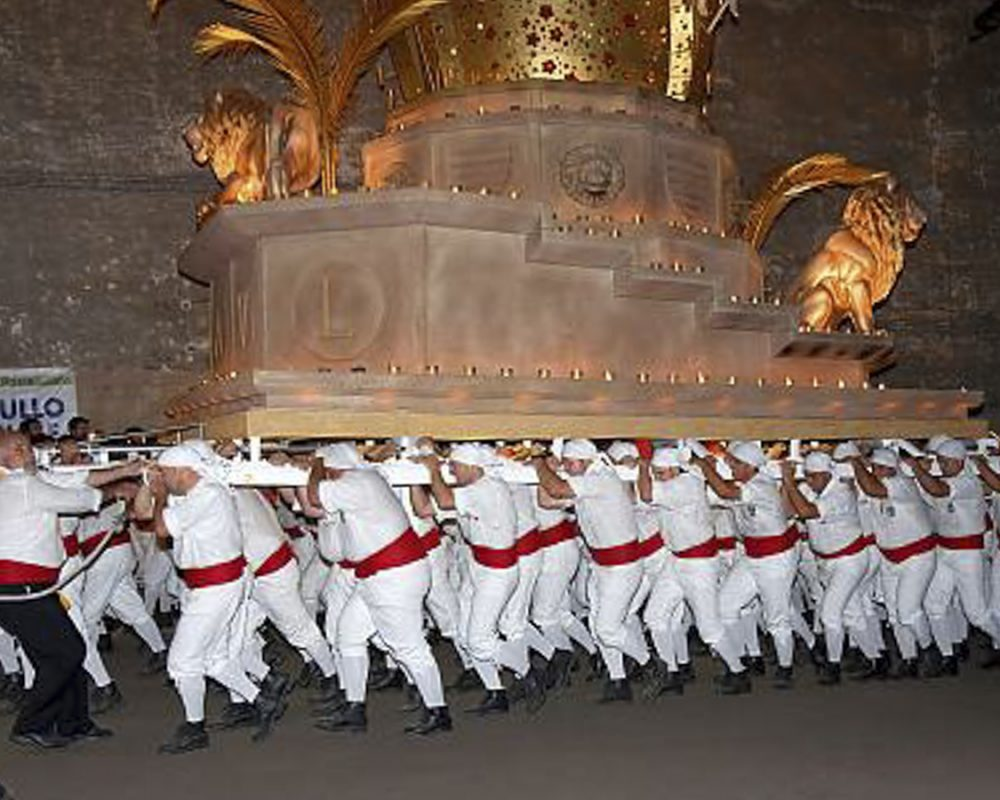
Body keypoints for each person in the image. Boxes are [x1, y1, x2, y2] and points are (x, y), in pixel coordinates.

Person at [142, 444, 286, 754]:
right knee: (213, 659)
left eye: (166, 474)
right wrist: (152, 490)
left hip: (216, 586)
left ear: (183, 471)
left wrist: (159, 495)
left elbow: (161, 527)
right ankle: (261, 699)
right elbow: (143, 513)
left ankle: (194, 728)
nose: (163, 480)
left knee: (181, 662)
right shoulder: (199, 493)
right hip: (210, 585)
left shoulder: (208, 494)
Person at [0, 431, 139, 748]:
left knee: (65, 651)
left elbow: (73, 483)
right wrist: (117, 490)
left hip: (27, 587)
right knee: (67, 653)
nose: (34, 454)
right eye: (28, 449)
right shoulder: (23, 485)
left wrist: (120, 474)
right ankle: (31, 724)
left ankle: (73, 723)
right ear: (17, 452)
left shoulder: (19, 485)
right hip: (19, 588)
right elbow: (79, 500)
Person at [308, 443, 451, 735]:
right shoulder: (364, 479)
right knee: (349, 636)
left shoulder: (357, 482)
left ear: (334, 469)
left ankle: (439, 711)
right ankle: (355, 709)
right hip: (379, 575)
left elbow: (313, 496)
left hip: (394, 576)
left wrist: (315, 465)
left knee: (409, 647)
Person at [420, 443, 546, 714]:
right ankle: (496, 691)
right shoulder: (473, 489)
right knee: (466, 636)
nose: (451, 469)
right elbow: (424, 511)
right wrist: (415, 481)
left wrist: (432, 469)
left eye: (455, 465)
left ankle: (529, 674)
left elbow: (443, 501)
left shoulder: (488, 489)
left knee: (479, 639)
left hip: (498, 571)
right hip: (479, 566)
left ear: (472, 466)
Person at [533, 439, 652, 702]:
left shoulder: (600, 477)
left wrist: (539, 462)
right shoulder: (586, 479)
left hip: (622, 564)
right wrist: (549, 471)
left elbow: (556, 488)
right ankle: (618, 681)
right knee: (600, 631)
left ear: (586, 460)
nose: (565, 465)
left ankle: (650, 663)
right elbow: (546, 500)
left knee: (608, 629)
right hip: (602, 564)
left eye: (569, 461)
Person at [638, 446, 750, 694]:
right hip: (676, 560)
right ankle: (671, 672)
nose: (657, 476)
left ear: (675, 469)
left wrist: (643, 465)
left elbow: (646, 494)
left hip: (699, 564)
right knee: (654, 617)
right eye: (655, 472)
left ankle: (738, 671)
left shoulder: (684, 485)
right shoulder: (682, 480)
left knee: (709, 628)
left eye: (661, 472)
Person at [699, 441, 800, 688]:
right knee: (724, 606)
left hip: (776, 558)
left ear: (748, 465)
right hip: (752, 556)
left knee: (776, 617)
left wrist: (704, 466)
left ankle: (785, 668)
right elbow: (717, 494)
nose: (730, 467)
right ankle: (741, 663)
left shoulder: (761, 486)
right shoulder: (744, 485)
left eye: (734, 463)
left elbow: (723, 492)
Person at [781, 451, 883, 684]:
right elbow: (787, 512)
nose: (808, 481)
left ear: (827, 474)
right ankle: (877, 658)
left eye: (813, 477)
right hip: (828, 561)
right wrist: (789, 487)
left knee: (830, 613)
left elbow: (807, 512)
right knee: (853, 614)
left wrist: (788, 481)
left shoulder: (841, 493)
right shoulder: (812, 489)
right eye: (806, 476)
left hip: (850, 560)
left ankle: (833, 665)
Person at [911, 439, 1000, 671]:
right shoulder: (946, 481)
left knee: (977, 614)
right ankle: (947, 656)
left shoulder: (968, 482)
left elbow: (935, 490)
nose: (942, 465)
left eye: (946, 461)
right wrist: (923, 473)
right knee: (934, 605)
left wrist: (916, 468)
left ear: (960, 462)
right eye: (940, 461)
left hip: (968, 553)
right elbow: (929, 494)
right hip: (944, 550)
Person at [851, 448, 937, 678]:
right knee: (894, 614)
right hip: (890, 558)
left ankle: (931, 651)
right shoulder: (877, 486)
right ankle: (909, 658)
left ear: (893, 468)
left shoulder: (901, 484)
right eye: (874, 467)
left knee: (908, 610)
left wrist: (854, 461)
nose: (876, 471)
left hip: (917, 556)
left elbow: (870, 487)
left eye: (881, 467)